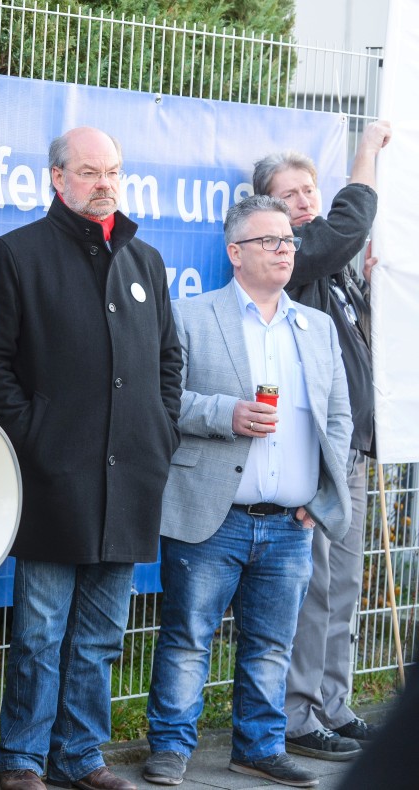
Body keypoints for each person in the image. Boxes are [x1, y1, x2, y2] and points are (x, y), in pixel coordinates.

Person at [0, 127, 181, 790]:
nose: (104, 185)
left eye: (114, 173)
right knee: (39, 634)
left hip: (130, 480)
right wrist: (35, 435)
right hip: (51, 479)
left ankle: (81, 757)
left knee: (99, 638)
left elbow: (167, 361)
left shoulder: (145, 261)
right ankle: (21, 759)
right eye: (91, 172)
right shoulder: (15, 255)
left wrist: (157, 432)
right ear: (56, 178)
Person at [142, 195, 351, 788]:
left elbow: (336, 417)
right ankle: (171, 748)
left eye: (288, 240)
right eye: (269, 241)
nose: (285, 250)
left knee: (271, 645)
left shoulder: (318, 328)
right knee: (186, 638)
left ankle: (259, 747)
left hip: (290, 523)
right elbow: (163, 402)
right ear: (235, 253)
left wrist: (318, 496)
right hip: (213, 515)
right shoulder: (190, 317)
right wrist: (223, 414)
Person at [252, 120, 392, 761]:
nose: (307, 203)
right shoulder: (294, 253)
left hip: (354, 446)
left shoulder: (331, 265)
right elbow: (345, 226)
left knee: (346, 586)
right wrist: (366, 153)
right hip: (316, 452)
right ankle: (299, 713)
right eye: (292, 195)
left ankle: (333, 704)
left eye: (312, 190)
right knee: (315, 587)